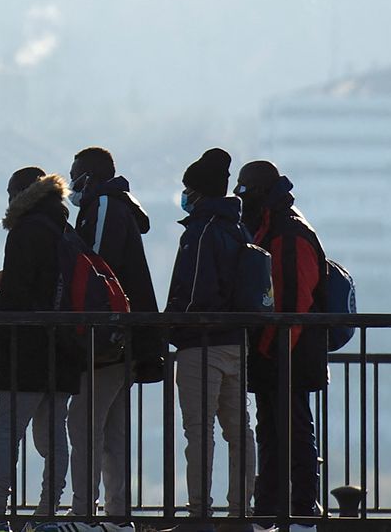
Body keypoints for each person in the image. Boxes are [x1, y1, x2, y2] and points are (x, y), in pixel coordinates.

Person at [61, 147, 162, 529]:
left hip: (108, 338)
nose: (71, 184)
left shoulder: (102, 205)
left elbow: (95, 271)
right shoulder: (118, 206)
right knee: (113, 429)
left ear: (88, 176)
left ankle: (84, 513)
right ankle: (118, 517)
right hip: (127, 337)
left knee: (84, 423)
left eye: (75, 175)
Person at [0, 167, 86, 530]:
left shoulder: (26, 231)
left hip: (25, 351)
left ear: (18, 195)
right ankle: (48, 514)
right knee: (54, 434)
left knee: (6, 433)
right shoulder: (67, 230)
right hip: (64, 351)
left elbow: (17, 293)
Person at [164, 148, 257, 531]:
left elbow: (194, 293)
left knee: (199, 432)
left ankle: (199, 513)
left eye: (187, 188)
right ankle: (240, 515)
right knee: (239, 431)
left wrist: (170, 327)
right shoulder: (238, 228)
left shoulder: (201, 231)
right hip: (237, 342)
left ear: (197, 192)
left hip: (201, 344)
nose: (185, 195)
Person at [235, 160, 326, 532]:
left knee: (293, 431)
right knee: (273, 432)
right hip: (283, 352)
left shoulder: (287, 233)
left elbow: (291, 304)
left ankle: (302, 511)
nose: (239, 197)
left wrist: (270, 349)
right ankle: (269, 511)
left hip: (289, 353)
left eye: (243, 189)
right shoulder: (276, 226)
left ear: (257, 190)